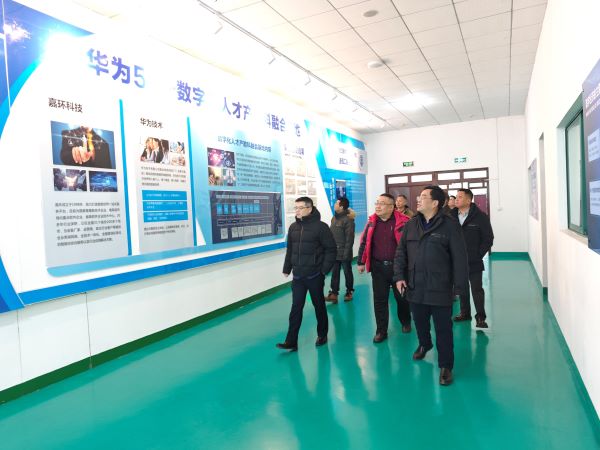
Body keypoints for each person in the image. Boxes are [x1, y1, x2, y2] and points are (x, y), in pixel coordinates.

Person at [394, 185, 468, 386]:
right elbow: (400, 253)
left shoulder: (450, 226)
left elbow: (460, 258)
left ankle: (446, 366)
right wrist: (399, 277)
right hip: (415, 284)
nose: (418, 199)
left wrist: (459, 288)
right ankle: (424, 344)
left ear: (435, 203)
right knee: (419, 321)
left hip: (440, 286)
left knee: (443, 328)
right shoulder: (411, 224)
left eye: (423, 196)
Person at [277, 197, 337, 351]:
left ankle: (322, 334)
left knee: (319, 305)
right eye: (295, 208)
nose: (297, 211)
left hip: (314, 275)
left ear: (309, 209)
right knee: (296, 308)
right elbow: (290, 250)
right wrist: (287, 268)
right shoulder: (293, 228)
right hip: (298, 276)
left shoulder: (321, 227)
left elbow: (331, 250)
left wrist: (323, 271)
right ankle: (291, 341)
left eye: (300, 208)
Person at [357, 193, 411, 343]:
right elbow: (364, 243)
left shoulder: (404, 222)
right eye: (377, 203)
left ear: (392, 207)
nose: (378, 206)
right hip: (378, 268)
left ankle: (406, 321)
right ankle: (381, 331)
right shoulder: (371, 222)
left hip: (399, 269)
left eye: (382, 203)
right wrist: (361, 262)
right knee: (379, 300)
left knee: (402, 299)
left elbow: (412, 246)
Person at [451, 188, 494, 328]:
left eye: (460, 197)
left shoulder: (480, 217)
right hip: (456, 261)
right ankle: (465, 313)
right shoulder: (450, 216)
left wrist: (478, 254)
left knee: (477, 290)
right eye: (456, 196)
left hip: (474, 260)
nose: (456, 199)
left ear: (469, 200)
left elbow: (488, 238)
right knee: (462, 288)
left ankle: (480, 318)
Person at [326, 198, 355, 304]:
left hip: (344, 252)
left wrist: (346, 254)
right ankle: (334, 293)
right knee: (335, 273)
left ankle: (349, 291)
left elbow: (349, 239)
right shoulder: (334, 218)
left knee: (347, 272)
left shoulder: (348, 220)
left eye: (336, 203)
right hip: (335, 252)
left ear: (341, 207)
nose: (334, 204)